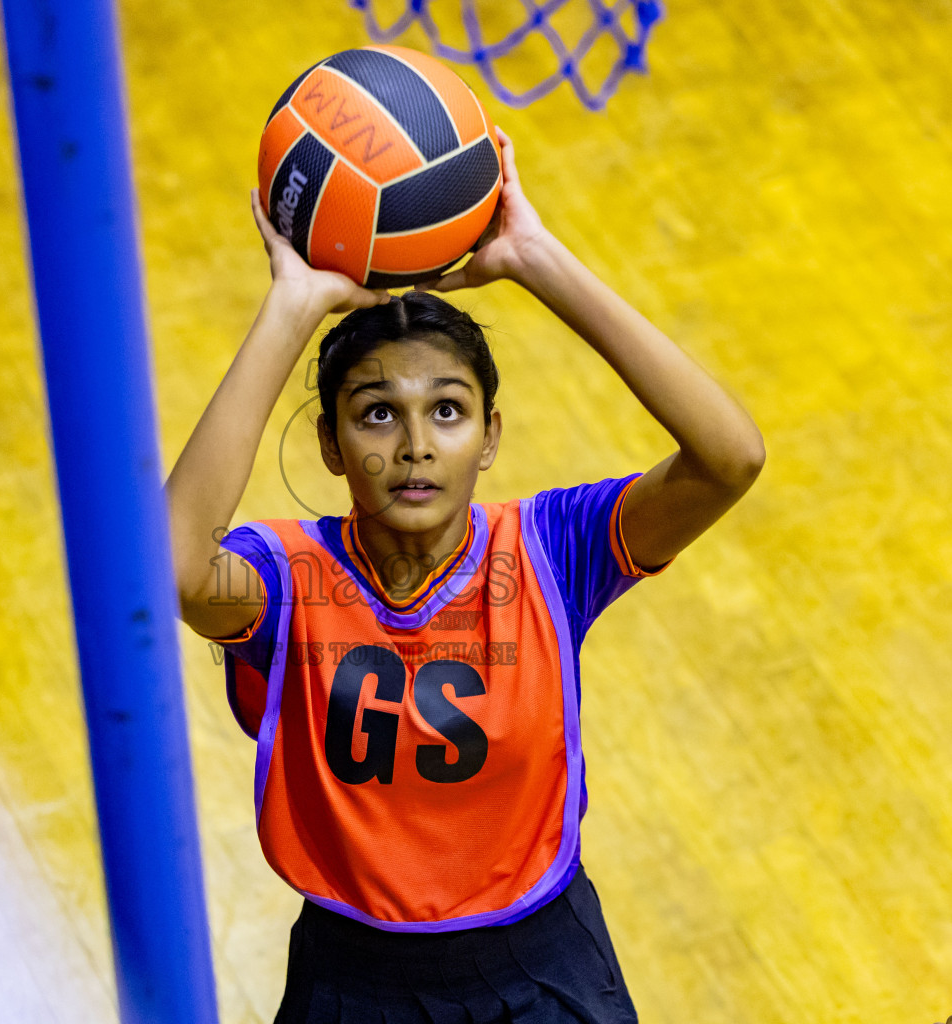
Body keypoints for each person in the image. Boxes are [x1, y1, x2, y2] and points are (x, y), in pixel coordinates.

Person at [167, 126, 766, 1021]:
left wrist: (534, 257)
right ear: (331, 445)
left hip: (539, 971)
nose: (413, 446)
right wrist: (293, 305)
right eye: (375, 415)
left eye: (447, 411)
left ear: (489, 436)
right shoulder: (289, 578)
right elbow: (170, 569)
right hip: (348, 978)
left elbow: (730, 458)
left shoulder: (552, 551)